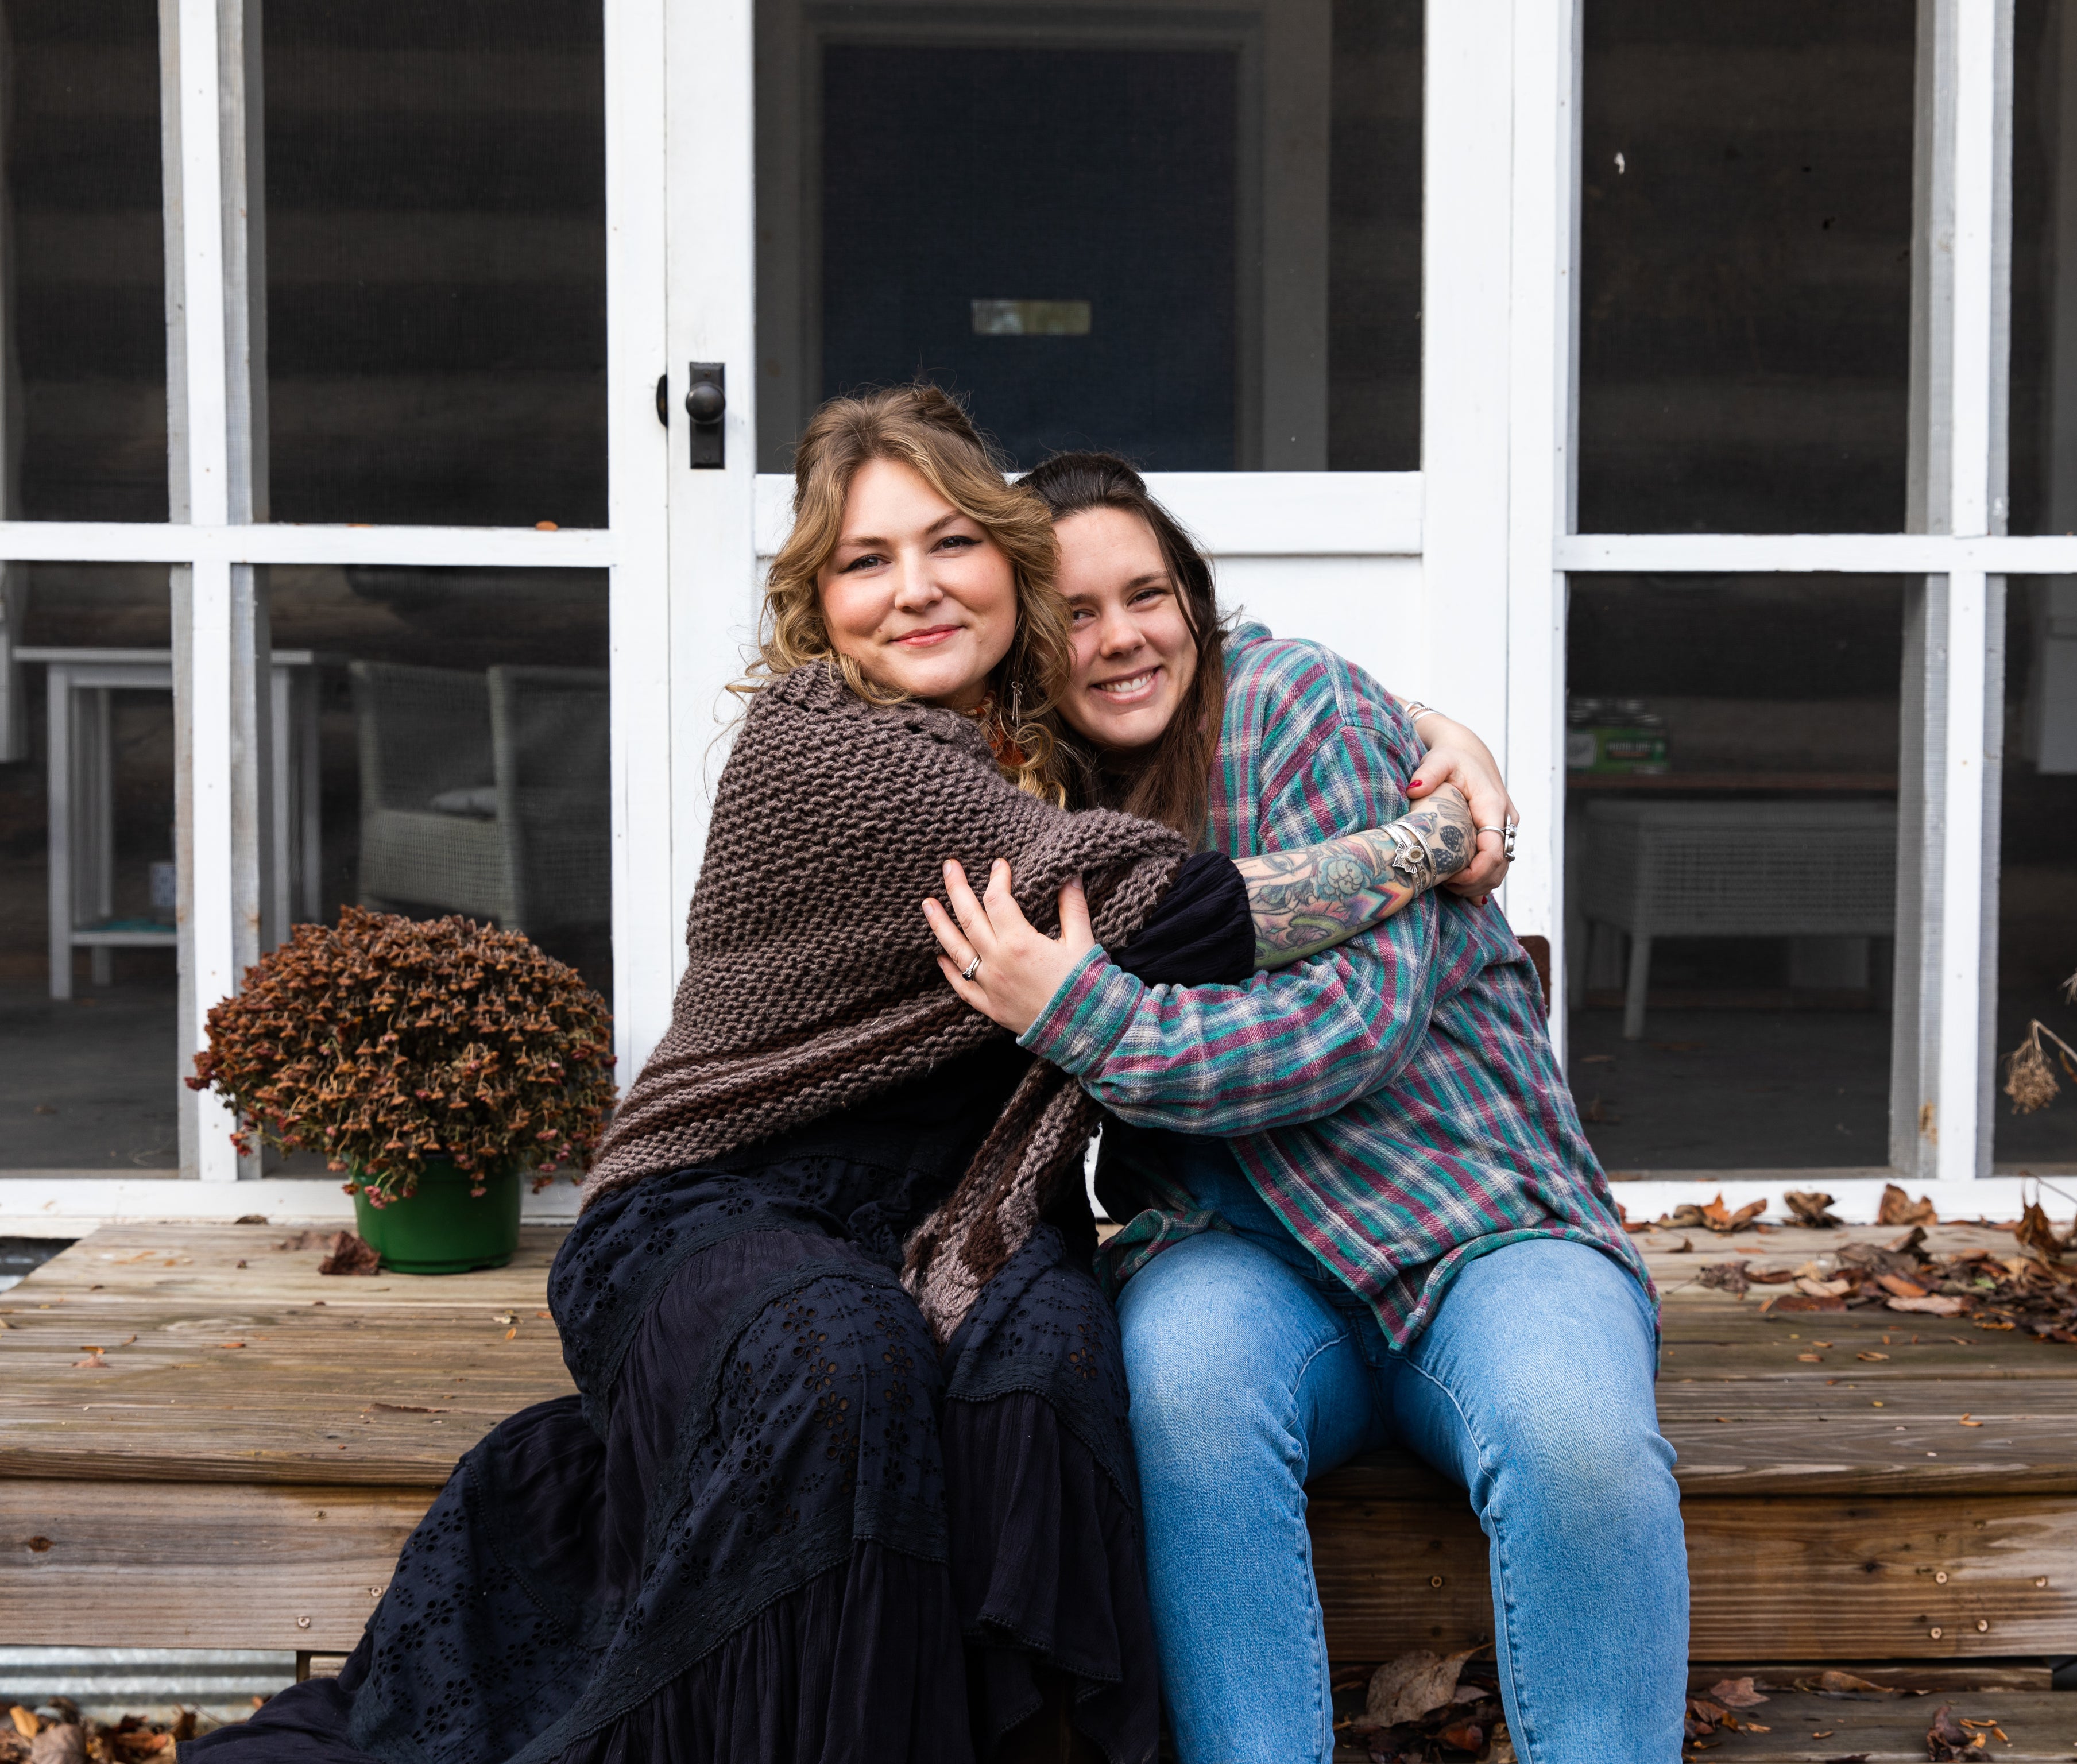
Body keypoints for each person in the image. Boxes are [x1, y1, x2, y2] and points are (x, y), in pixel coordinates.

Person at [186, 390, 1503, 1764]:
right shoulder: (832, 752)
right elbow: (1188, 914)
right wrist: (1438, 832)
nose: (917, 590)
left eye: (950, 545)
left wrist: (1426, 719)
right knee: (845, 1360)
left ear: (1015, 565)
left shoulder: (1045, 750)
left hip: (955, 1218)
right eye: (867, 562)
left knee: (1048, 1369)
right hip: (719, 1209)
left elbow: (1198, 676)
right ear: (819, 605)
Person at [926, 452, 1689, 1764]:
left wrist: (1081, 1010)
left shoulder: (1297, 709)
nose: (1120, 641)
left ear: (1196, 603)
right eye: (1074, 616)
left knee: (1576, 1435)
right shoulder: (1026, 792)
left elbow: (1350, 1029)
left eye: (1148, 596)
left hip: (1485, 1231)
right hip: (1236, 1250)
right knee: (1180, 1389)